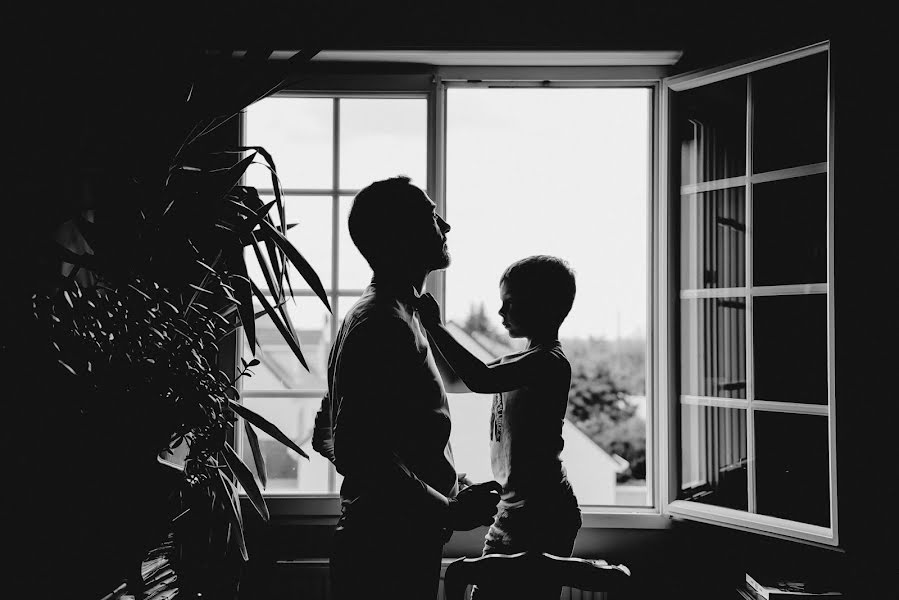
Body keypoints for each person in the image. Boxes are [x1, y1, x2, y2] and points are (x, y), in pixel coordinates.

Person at [320, 175, 502, 600]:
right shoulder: (381, 323)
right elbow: (355, 447)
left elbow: (399, 436)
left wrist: (455, 483)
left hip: (397, 540)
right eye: (431, 216)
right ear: (400, 236)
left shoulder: (403, 315)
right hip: (383, 549)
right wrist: (450, 508)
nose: (447, 227)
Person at [413, 255, 581, 600]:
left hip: (542, 512)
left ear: (542, 306)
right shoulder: (521, 360)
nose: (501, 312)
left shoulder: (548, 362)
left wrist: (435, 325)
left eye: (510, 303)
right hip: (517, 507)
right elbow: (456, 380)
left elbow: (478, 378)